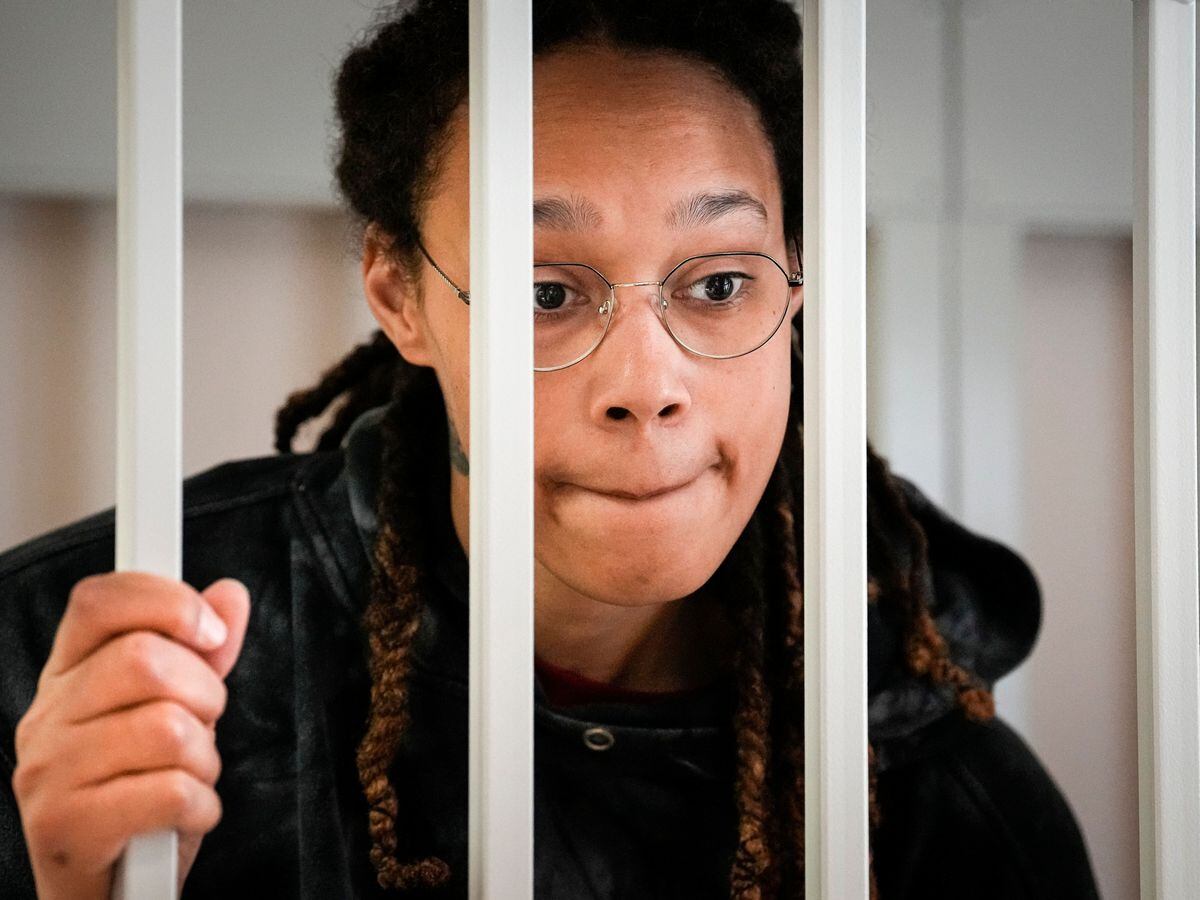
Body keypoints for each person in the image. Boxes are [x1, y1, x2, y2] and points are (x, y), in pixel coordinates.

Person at [0, 0, 1102, 897]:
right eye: (544, 292)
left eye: (718, 284)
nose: (647, 387)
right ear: (401, 294)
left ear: (797, 281)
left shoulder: (930, 776)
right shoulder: (100, 675)